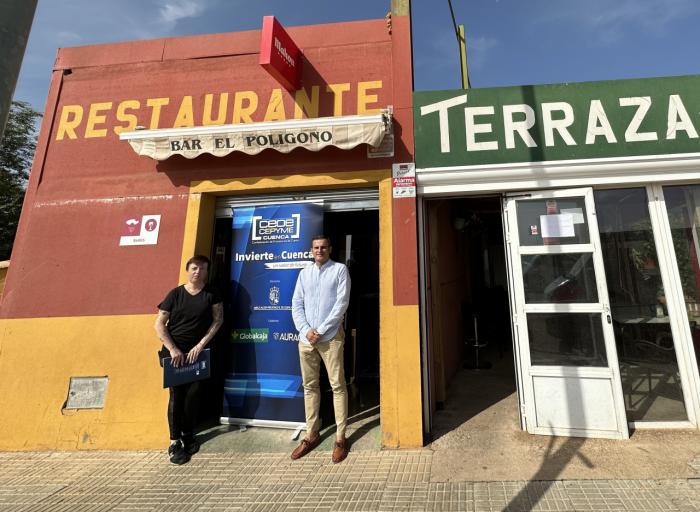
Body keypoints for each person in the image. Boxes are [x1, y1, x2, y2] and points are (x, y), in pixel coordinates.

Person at [154, 255, 223, 465]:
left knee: (194, 396)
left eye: (202, 269)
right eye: (194, 268)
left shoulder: (212, 294)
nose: (198, 272)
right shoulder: (175, 294)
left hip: (198, 354)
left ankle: (188, 434)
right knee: (176, 397)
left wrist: (200, 345)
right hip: (175, 355)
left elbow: (218, 320)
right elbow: (159, 324)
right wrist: (173, 349)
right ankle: (174, 442)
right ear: (187, 270)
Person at [291, 235, 351, 463]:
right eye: (316, 247)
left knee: (337, 385)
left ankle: (340, 437)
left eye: (324, 247)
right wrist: (306, 330)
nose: (320, 250)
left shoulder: (339, 270)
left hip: (331, 337)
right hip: (306, 339)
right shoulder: (304, 273)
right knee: (310, 386)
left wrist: (322, 329)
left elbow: (341, 303)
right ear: (311, 250)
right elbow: (296, 303)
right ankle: (311, 433)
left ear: (330, 249)